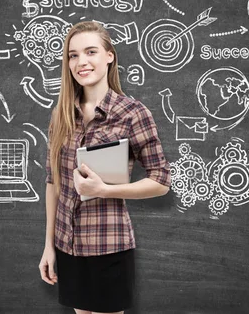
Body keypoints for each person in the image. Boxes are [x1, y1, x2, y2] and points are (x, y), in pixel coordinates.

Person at [39, 21, 171, 314]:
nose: (81, 62)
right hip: (67, 245)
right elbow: (53, 183)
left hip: (107, 245)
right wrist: (49, 246)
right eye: (73, 55)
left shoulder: (132, 113)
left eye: (90, 52)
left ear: (109, 56)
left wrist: (105, 190)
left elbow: (161, 180)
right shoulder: (61, 114)